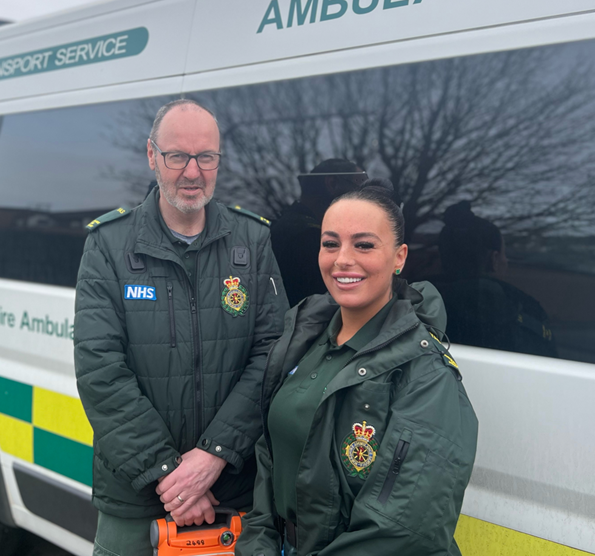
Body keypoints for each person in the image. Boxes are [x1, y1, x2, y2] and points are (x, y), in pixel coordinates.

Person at [73, 99, 289, 556]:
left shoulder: (251, 242)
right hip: (135, 500)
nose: (192, 172)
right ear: (152, 156)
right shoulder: (109, 245)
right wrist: (169, 473)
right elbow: (99, 370)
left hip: (231, 493)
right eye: (177, 157)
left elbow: (271, 355)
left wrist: (212, 457)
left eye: (206, 157)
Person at [236, 180, 478, 556]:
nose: (342, 259)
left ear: (399, 257)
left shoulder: (425, 374)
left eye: (363, 244)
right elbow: (271, 461)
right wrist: (258, 545)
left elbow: (402, 532)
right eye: (330, 243)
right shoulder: (302, 344)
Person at [433, 200, 556, 357]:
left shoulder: (409, 303)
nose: (507, 261)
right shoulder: (526, 312)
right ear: (495, 259)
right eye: (505, 254)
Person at [270, 159, 367, 306]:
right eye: (358, 187)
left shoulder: (289, 226)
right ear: (332, 184)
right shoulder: (309, 239)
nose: (364, 200)